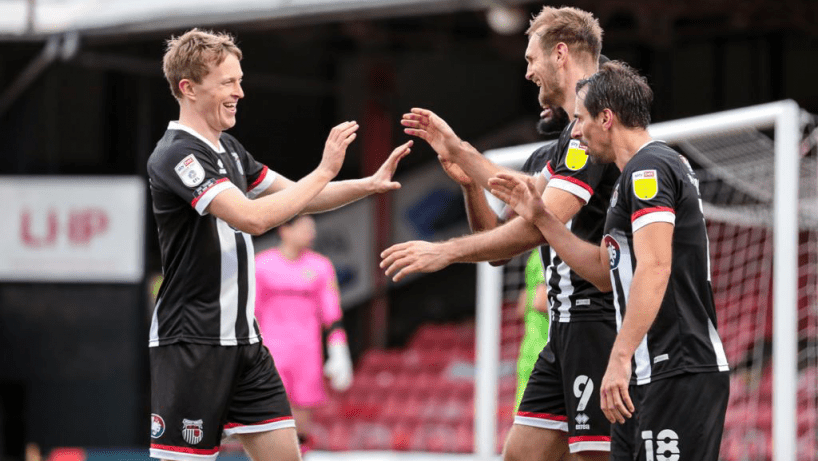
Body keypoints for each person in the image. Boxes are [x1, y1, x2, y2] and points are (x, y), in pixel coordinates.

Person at [146, 28, 412, 461]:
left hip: (246, 344)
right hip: (192, 342)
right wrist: (324, 171)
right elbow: (253, 218)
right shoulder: (176, 154)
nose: (240, 92)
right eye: (228, 82)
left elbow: (299, 196)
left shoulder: (229, 149)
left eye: (240, 80)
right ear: (188, 88)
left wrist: (367, 185)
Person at [382, 6, 620, 460]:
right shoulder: (559, 149)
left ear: (561, 53)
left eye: (532, 59)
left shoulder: (596, 129)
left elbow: (537, 225)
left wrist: (445, 252)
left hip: (600, 321)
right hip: (563, 329)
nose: (528, 72)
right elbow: (505, 231)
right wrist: (464, 164)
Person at [488, 61, 730, 461]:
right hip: (643, 373)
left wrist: (617, 357)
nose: (576, 131)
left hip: (677, 367)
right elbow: (602, 271)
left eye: (581, 120)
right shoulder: (630, 177)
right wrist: (543, 218)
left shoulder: (649, 169)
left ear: (606, 117)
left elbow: (655, 267)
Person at [254, 215, 353, 452]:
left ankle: (300, 455)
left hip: (308, 352)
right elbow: (250, 313)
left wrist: (339, 348)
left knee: (302, 415)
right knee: (271, 412)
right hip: (271, 351)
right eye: (304, 227)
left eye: (312, 228)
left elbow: (331, 310)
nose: (311, 233)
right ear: (284, 230)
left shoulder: (321, 266)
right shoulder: (261, 265)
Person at [514, 248, 548, 412]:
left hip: (529, 349)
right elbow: (541, 301)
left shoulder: (534, 255)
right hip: (545, 349)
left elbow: (521, 308)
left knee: (524, 416)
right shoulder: (551, 253)